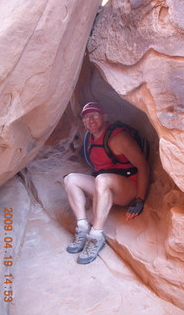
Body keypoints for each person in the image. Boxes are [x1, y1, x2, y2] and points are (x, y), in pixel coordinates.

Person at [63, 102, 149, 264]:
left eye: (94, 115)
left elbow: (142, 166)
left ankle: (96, 236)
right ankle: (82, 228)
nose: (90, 120)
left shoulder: (118, 138)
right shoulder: (89, 137)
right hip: (105, 186)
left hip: (127, 188)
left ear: (105, 117)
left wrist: (139, 200)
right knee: (70, 179)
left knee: (101, 180)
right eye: (86, 117)